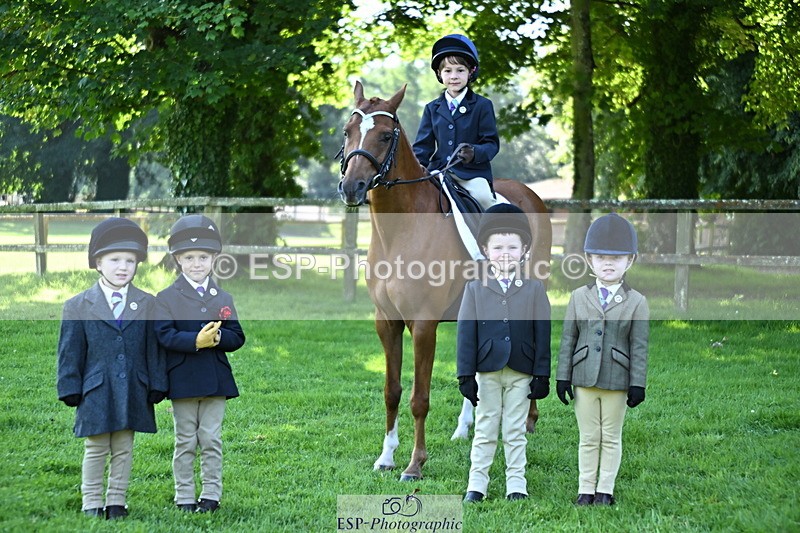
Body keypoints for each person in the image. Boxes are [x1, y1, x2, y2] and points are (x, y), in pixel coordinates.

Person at [57, 217, 167, 520]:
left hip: (134, 386)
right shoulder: (78, 305)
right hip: (96, 388)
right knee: (96, 446)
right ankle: (91, 501)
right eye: (115, 259)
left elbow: (152, 348)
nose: (123, 267)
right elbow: (70, 350)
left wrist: (157, 383)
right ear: (98, 263)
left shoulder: (147, 303)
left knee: (123, 446)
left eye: (130, 261)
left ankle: (117, 500)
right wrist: (69, 385)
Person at [456, 204, 551, 502]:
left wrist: (542, 374)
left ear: (524, 250)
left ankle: (516, 484)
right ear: (485, 249)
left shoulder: (535, 289)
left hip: (521, 370)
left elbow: (543, 335)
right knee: (485, 427)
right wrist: (465, 375)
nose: (505, 253)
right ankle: (477, 484)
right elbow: (465, 335)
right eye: (498, 247)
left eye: (513, 246)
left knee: (514, 429)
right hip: (487, 371)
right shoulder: (474, 288)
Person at [556, 213, 649, 506]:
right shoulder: (578, 297)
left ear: (630, 261)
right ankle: (585, 489)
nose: (608, 263)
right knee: (588, 436)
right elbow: (568, 339)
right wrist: (562, 376)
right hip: (584, 377)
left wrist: (638, 383)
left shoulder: (637, 301)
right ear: (589, 260)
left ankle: (605, 490)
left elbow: (639, 346)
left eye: (617, 258)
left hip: (617, 380)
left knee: (610, 436)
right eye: (600, 257)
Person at [154, 214, 245, 513]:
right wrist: (196, 341)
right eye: (189, 257)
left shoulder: (223, 296)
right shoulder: (166, 297)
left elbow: (237, 336)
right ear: (178, 260)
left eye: (203, 257)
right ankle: (184, 496)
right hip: (182, 380)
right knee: (185, 441)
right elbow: (164, 335)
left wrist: (217, 340)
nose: (196, 264)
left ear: (214, 259)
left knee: (210, 439)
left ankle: (211, 495)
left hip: (215, 381)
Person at [413, 33, 499, 211]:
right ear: (439, 74)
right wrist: (417, 167)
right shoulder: (431, 108)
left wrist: (475, 152)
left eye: (460, 70)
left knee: (485, 200)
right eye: (447, 71)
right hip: (438, 172)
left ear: (471, 72)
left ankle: (492, 237)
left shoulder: (482, 105)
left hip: (472, 175)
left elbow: (491, 143)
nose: (454, 76)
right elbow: (423, 146)